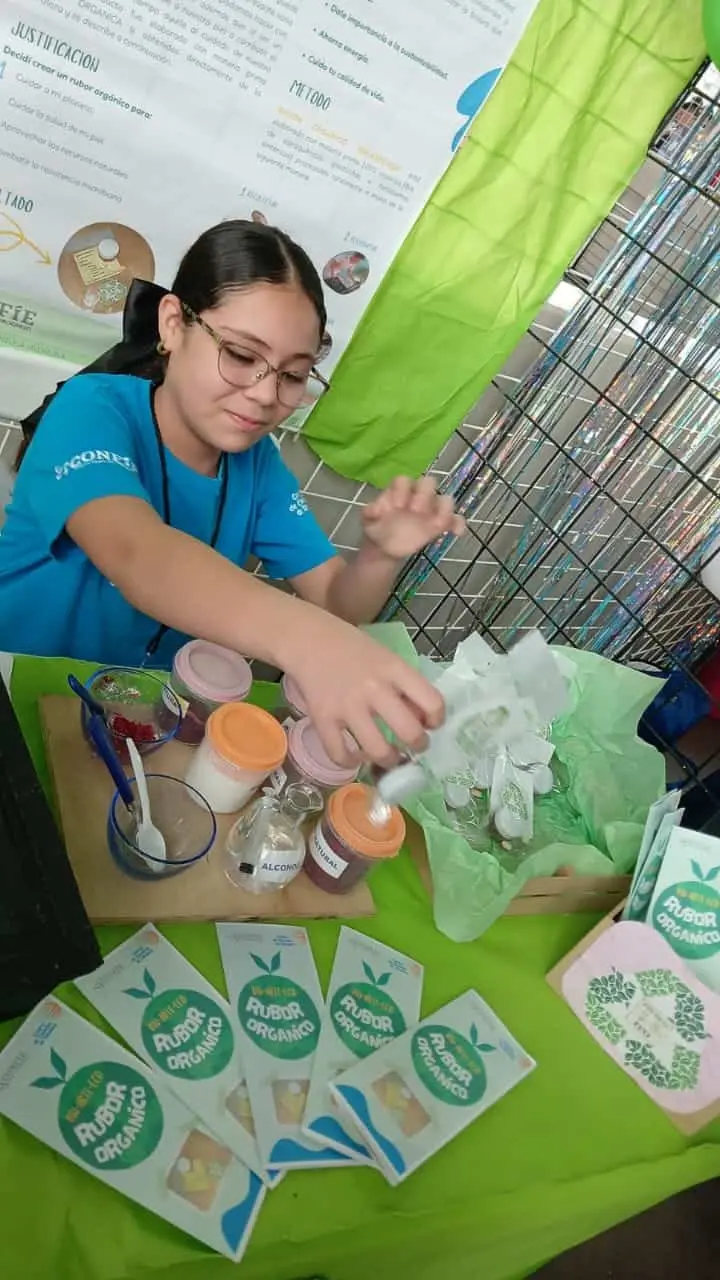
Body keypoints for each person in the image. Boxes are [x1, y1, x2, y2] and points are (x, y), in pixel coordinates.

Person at [0, 220, 464, 766]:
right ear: (173, 324)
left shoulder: (258, 467)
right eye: (242, 355)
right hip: (22, 693)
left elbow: (337, 604)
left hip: (144, 726)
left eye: (294, 375)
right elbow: (136, 551)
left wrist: (380, 556)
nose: (266, 394)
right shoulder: (92, 409)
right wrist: (310, 642)